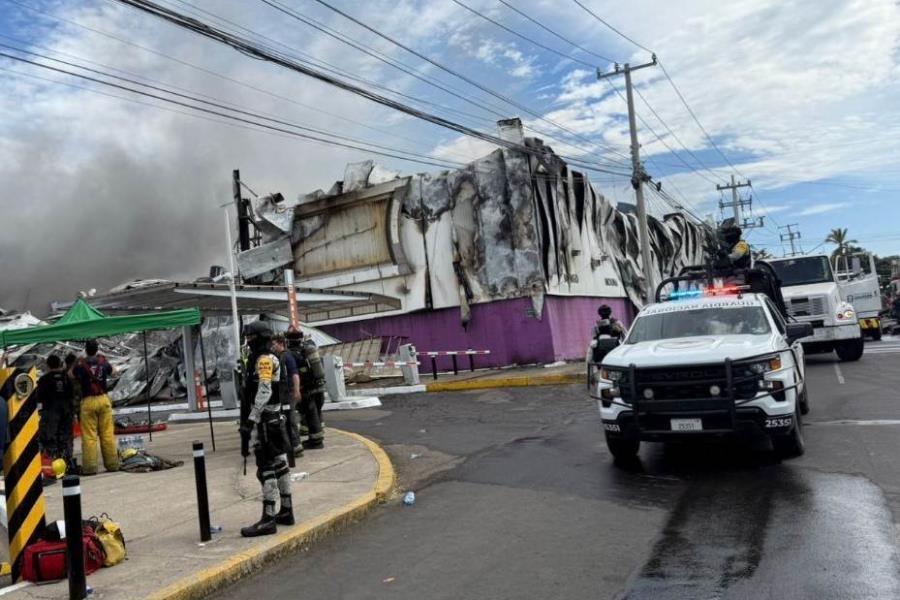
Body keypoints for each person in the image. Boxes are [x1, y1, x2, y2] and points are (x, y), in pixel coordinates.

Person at [239, 321, 293, 537]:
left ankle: (268, 518)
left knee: (266, 467)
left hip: (265, 421)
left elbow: (264, 390)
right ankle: (286, 510)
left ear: (259, 338)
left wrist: (251, 420)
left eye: (251, 338)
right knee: (280, 464)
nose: (248, 342)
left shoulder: (263, 360)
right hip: (275, 418)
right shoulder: (270, 357)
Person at [73, 340, 119, 475]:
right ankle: (112, 464)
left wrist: (77, 360)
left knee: (89, 436)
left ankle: (91, 468)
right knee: (107, 433)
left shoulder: (81, 364)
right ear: (97, 349)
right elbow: (114, 371)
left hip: (87, 401)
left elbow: (70, 374)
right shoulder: (103, 362)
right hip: (103, 399)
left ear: (86, 350)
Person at [289, 329, 326, 450]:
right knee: (316, 411)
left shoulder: (292, 353)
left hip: (306, 388)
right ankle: (315, 436)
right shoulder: (308, 348)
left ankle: (316, 441)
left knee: (311, 413)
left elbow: (294, 372)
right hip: (318, 385)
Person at [36, 354, 75, 461]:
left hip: (51, 411)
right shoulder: (67, 378)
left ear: (48, 365)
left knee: (50, 437)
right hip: (66, 410)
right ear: (59, 364)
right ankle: (68, 460)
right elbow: (72, 394)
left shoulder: (44, 379)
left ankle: (53, 461)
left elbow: (39, 397)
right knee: (66, 436)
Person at [272, 334, 303, 457]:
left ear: (281, 344)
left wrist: (296, 390)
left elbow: (294, 374)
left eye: (274, 344)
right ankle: (296, 445)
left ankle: (295, 445)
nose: (272, 347)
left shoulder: (287, 356)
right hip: (284, 393)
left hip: (288, 393)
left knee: (288, 420)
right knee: (288, 419)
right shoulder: (279, 357)